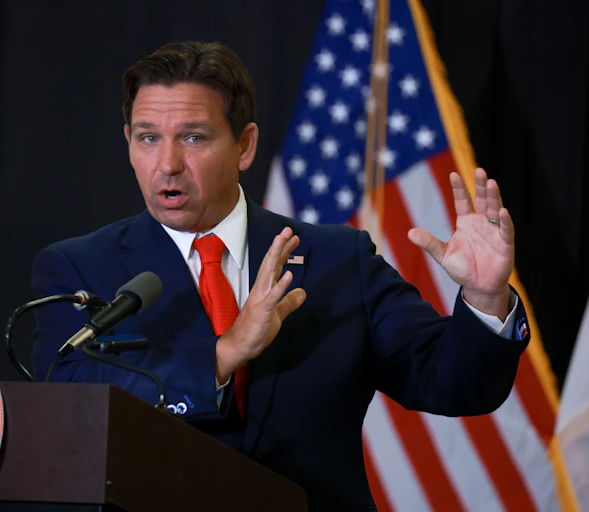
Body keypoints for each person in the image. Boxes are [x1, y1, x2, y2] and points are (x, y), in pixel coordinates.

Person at [31, 41, 530, 511]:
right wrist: (222, 356)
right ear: (128, 143)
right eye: (148, 138)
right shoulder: (80, 268)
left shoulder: (337, 258)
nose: (168, 164)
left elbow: (454, 385)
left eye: (193, 137)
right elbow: (70, 404)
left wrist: (485, 299)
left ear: (245, 147)